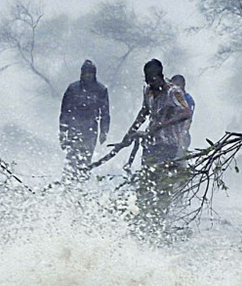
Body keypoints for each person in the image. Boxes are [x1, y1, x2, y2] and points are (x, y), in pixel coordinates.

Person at [122, 59, 191, 225]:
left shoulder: (172, 92)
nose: (151, 83)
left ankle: (159, 220)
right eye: (148, 80)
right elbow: (144, 111)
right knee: (146, 180)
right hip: (151, 144)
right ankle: (144, 218)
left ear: (161, 76)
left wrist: (163, 125)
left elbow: (185, 112)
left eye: (154, 80)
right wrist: (129, 133)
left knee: (163, 184)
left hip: (169, 145)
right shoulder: (148, 91)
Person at [58, 60, 111, 180]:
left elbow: (105, 113)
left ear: (94, 74)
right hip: (74, 129)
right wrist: (62, 131)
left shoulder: (101, 90)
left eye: (90, 73)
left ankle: (82, 184)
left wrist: (104, 131)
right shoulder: (73, 88)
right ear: (81, 74)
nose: (88, 75)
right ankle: (68, 183)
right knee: (71, 158)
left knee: (86, 159)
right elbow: (65, 111)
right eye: (85, 73)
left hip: (90, 131)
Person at [169, 74, 196, 151]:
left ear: (183, 84)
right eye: (173, 85)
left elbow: (188, 119)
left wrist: (182, 134)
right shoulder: (171, 97)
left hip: (182, 135)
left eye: (178, 85)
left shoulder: (188, 99)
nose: (176, 88)